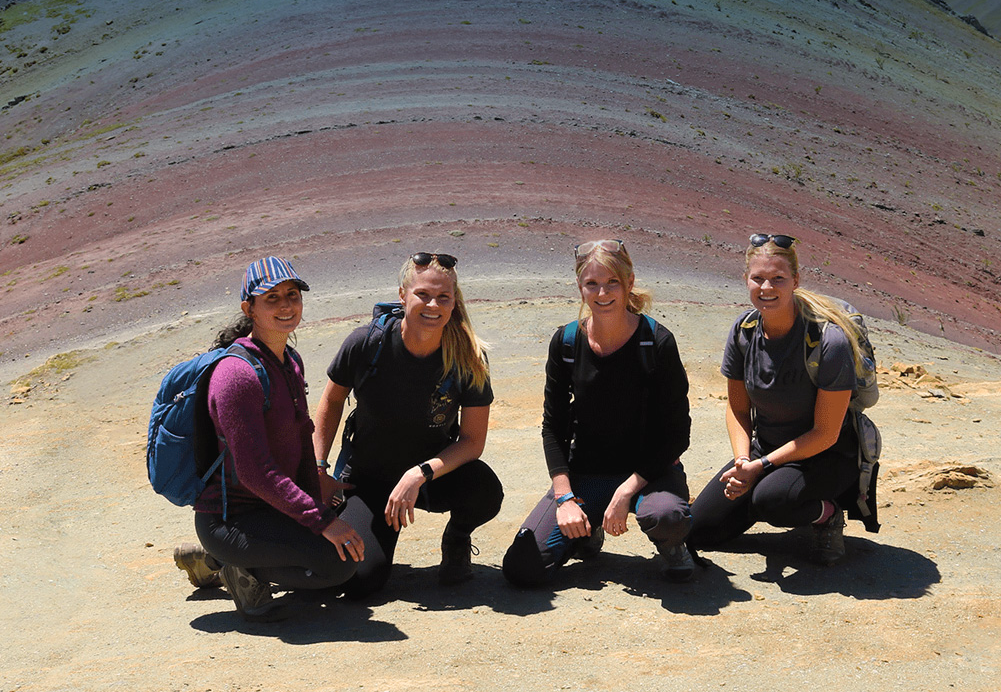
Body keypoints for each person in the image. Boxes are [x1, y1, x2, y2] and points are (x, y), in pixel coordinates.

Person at [173, 256, 364, 622]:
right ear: (250, 308)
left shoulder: (288, 360)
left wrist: (318, 487)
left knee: (352, 549)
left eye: (292, 295)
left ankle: (209, 561)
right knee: (336, 566)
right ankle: (234, 565)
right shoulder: (236, 375)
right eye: (271, 298)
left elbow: (301, 438)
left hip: (274, 507)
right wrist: (322, 521)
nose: (286, 305)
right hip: (230, 520)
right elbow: (255, 472)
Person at [502, 239, 695, 586]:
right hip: (587, 475)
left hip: (649, 476)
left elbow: (677, 433)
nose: (602, 293)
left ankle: (672, 544)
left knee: (665, 515)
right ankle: (585, 530)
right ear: (580, 287)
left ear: (629, 283)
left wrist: (626, 491)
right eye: (592, 284)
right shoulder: (567, 343)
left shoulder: (657, 342)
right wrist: (564, 498)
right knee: (522, 567)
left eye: (612, 283)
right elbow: (553, 427)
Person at [312, 252, 502, 596]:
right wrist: (319, 468)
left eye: (443, 297)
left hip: (430, 477)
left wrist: (418, 474)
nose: (433, 304)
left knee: (485, 491)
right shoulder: (366, 344)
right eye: (423, 295)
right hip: (367, 479)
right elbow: (332, 400)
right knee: (360, 583)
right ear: (403, 295)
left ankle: (457, 540)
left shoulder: (469, 357)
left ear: (454, 301)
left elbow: (473, 441)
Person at [686, 233, 867, 566]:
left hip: (826, 455)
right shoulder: (744, 331)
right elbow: (738, 408)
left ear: (795, 280)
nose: (766, 288)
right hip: (764, 450)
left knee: (771, 500)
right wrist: (744, 462)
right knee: (698, 532)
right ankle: (767, 490)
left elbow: (825, 433)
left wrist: (761, 468)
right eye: (758, 278)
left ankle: (826, 514)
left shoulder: (828, 342)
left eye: (778, 279)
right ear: (746, 280)